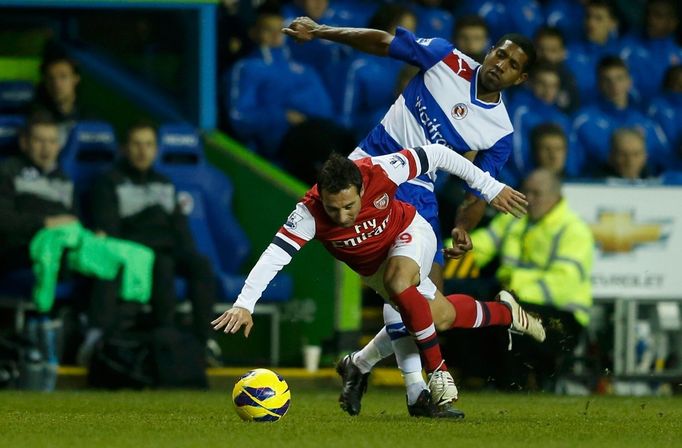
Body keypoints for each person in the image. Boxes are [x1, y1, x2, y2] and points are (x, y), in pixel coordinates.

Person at [283, 13, 536, 414]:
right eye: (499, 54)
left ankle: (358, 365)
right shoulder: (445, 58)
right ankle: (418, 391)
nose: (500, 65)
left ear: (519, 79)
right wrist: (321, 32)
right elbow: (383, 43)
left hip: (420, 192)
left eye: (512, 65)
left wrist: (462, 226)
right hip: (373, 173)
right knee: (402, 284)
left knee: (432, 308)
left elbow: (478, 186)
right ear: (489, 51)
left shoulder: (499, 130)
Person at [212, 144, 540, 417]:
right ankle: (506, 313)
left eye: (349, 206)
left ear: (362, 188)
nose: (342, 217)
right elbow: (275, 255)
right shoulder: (308, 214)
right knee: (440, 316)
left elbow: (438, 153)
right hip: (375, 270)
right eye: (333, 209)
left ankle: (437, 371)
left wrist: (490, 186)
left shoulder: (381, 170)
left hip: (411, 233)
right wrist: (245, 304)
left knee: (400, 283)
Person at [85, 122, 218, 365]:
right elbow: (112, 231)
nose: (142, 151)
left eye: (148, 145)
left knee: (201, 264)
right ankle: (163, 342)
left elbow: (179, 227)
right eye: (136, 144)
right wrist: (153, 220)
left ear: (156, 150)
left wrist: (183, 248)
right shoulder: (108, 182)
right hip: (136, 251)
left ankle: (202, 342)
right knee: (162, 263)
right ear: (124, 148)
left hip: (168, 245)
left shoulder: (164, 183)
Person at [466, 169, 594, 390]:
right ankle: (479, 385)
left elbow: (561, 284)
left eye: (537, 194)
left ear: (556, 197)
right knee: (469, 309)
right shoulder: (515, 219)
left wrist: (512, 289)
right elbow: (483, 244)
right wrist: (444, 251)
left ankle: (512, 390)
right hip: (518, 304)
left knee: (506, 323)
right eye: (527, 192)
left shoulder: (573, 229)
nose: (529, 199)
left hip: (563, 320)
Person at [226, 4, 334, 157]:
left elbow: (326, 113)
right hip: (275, 147)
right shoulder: (246, 69)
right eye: (268, 30)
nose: (276, 36)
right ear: (253, 32)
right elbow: (240, 118)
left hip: (312, 136)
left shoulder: (305, 70)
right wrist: (283, 116)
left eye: (281, 30)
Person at [572, 56, 670, 175]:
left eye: (619, 78)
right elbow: (574, 163)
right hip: (597, 186)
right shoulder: (582, 121)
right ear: (598, 83)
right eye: (607, 80)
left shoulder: (647, 123)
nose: (614, 85)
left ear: (629, 81)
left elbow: (665, 163)